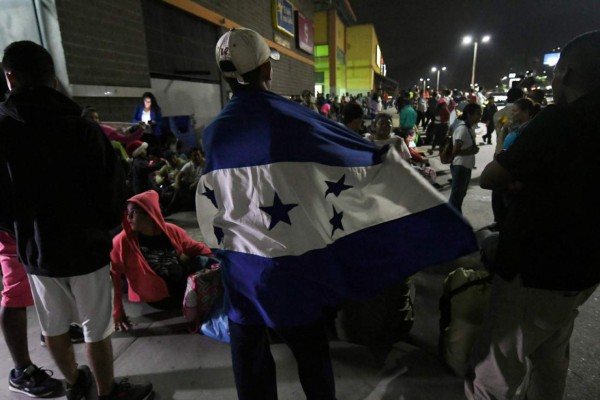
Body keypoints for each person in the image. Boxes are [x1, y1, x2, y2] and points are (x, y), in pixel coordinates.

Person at [197, 27, 478, 400]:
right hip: (293, 270)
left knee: (249, 359)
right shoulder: (297, 120)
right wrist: (387, 165)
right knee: (311, 356)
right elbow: (350, 153)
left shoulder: (214, 134)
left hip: (243, 271)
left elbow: (213, 208)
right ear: (266, 71)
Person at [0, 40, 153, 400]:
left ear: (10, 79)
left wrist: (20, 230)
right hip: (84, 246)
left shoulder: (4, 131)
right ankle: (107, 392)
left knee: (52, 325)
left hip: (36, 250)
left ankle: (74, 383)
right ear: (53, 80)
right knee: (95, 327)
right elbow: (111, 191)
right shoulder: (83, 129)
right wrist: (103, 227)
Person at [467, 30, 600, 400]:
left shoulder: (561, 120)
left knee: (494, 371)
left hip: (536, 268)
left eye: (556, 73)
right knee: (551, 356)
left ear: (567, 74)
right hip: (584, 272)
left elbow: (493, 176)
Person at [110, 190, 213, 331]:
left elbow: (200, 248)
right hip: (158, 297)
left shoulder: (171, 231)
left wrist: (190, 256)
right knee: (123, 282)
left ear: (149, 212)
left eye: (134, 212)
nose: (129, 217)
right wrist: (118, 313)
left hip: (182, 285)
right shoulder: (122, 241)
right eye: (127, 213)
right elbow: (113, 276)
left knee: (207, 261)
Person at [448, 103, 481, 214]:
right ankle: (452, 221)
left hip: (466, 165)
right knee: (456, 196)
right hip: (460, 165)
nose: (479, 117)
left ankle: (456, 220)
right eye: (477, 114)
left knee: (460, 195)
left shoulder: (468, 128)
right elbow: (455, 151)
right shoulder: (462, 129)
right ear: (469, 114)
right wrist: (471, 151)